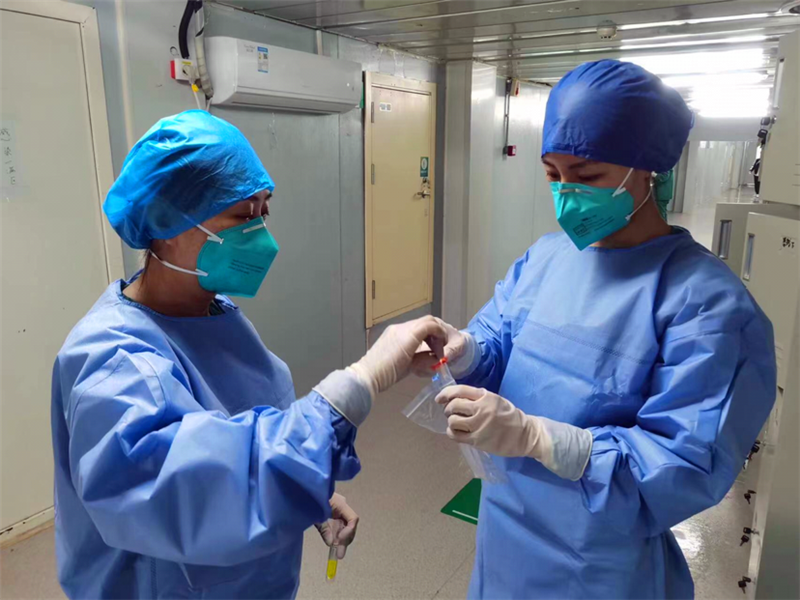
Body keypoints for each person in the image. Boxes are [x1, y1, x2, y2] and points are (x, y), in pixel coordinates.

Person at [416, 60, 777, 599]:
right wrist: (464, 350)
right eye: (552, 174)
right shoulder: (547, 259)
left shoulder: (707, 305)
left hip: (600, 560)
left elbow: (683, 462)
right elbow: (500, 345)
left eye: (586, 177)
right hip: (506, 532)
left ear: (647, 169)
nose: (566, 194)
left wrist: (539, 438)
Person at [51, 110, 447, 599]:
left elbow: (240, 439)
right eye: (242, 216)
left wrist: (303, 494)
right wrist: (359, 383)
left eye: (265, 210)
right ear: (168, 223)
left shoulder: (216, 313)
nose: (261, 234)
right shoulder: (112, 360)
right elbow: (188, 493)